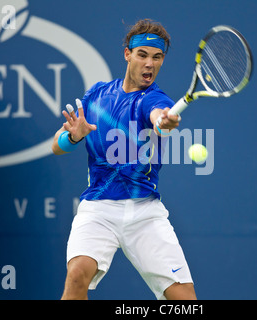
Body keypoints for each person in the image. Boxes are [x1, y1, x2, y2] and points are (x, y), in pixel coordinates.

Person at [52, 19, 196, 300]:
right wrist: (73, 137)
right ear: (127, 54)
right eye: (142, 55)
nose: (149, 64)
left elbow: (158, 116)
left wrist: (163, 122)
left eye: (157, 58)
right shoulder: (96, 95)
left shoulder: (154, 99)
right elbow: (56, 146)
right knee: (78, 271)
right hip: (98, 208)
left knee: (184, 299)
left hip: (145, 212)